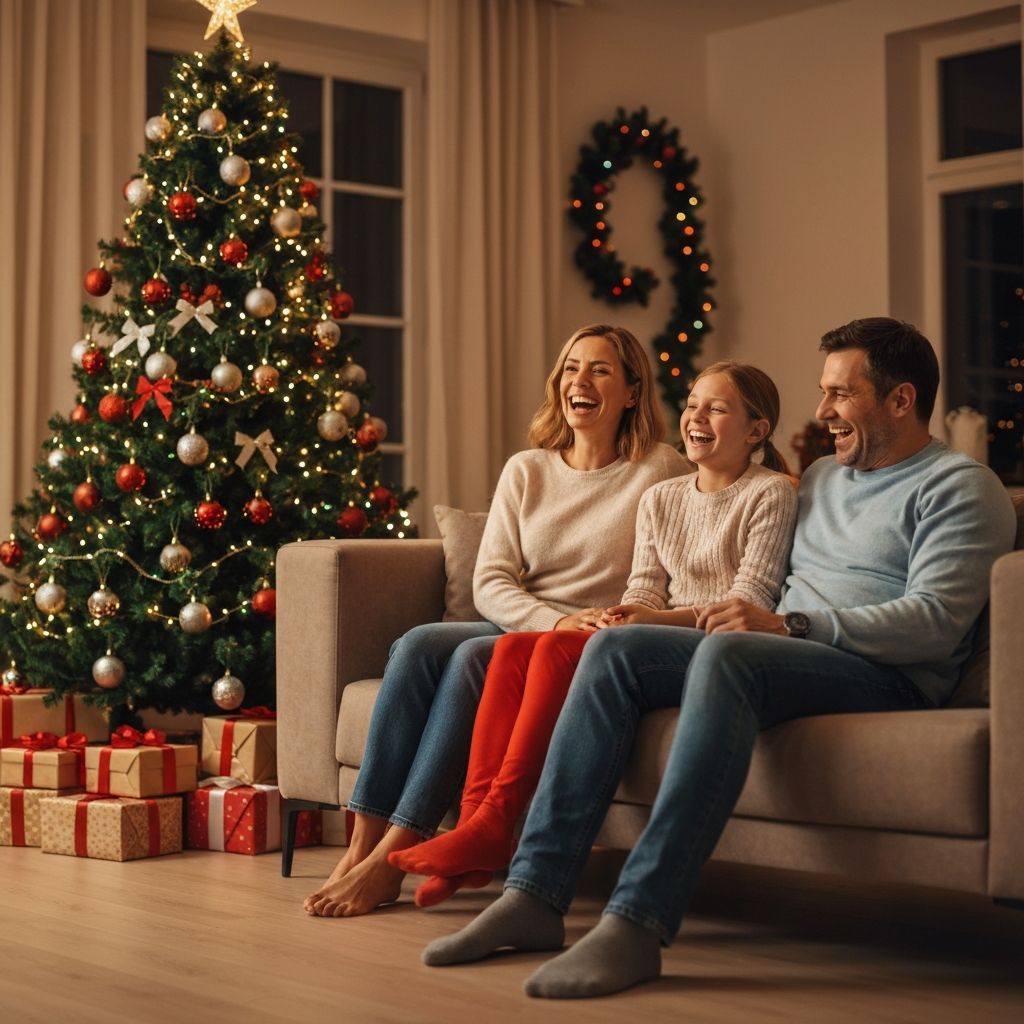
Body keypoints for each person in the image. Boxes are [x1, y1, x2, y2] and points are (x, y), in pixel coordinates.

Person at [420, 316, 1017, 998]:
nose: (822, 410)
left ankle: (637, 921)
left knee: (729, 658)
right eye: (824, 391)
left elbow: (935, 624)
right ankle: (533, 893)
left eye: (840, 394)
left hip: (884, 675)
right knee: (615, 648)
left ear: (901, 400)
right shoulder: (821, 478)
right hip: (783, 649)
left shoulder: (960, 488)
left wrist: (790, 625)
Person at [303, 324, 686, 917]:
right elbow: (491, 582)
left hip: (593, 635)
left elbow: (695, 528)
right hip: (534, 622)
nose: (580, 381)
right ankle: (361, 845)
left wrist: (604, 623)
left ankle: (396, 853)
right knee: (416, 644)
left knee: (469, 657)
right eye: (571, 368)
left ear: (633, 392)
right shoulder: (527, 469)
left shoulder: (660, 468)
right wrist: (550, 621)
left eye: (600, 370)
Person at [390, 362, 798, 908]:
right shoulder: (662, 497)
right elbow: (645, 588)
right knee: (513, 647)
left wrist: (648, 622)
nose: (696, 417)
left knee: (557, 647)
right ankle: (474, 827)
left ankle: (492, 825)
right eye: (692, 404)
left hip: (718, 643)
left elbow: (747, 603)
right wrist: (627, 613)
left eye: (717, 409)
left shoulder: (770, 493)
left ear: (756, 430)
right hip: (652, 634)